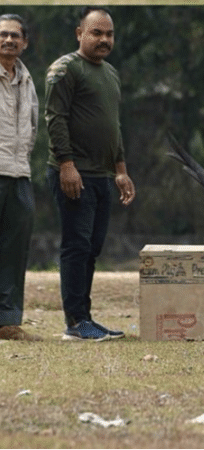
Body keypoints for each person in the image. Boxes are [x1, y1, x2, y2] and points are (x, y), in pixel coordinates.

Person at [45, 6, 136, 341]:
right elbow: (55, 119)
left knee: (93, 247)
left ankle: (85, 318)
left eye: (109, 34)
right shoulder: (65, 69)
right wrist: (66, 165)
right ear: (79, 33)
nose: (104, 39)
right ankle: (75, 322)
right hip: (73, 173)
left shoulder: (110, 73)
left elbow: (113, 127)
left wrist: (121, 171)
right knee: (76, 246)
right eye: (96, 32)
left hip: (101, 176)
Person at [0, 13, 41, 342]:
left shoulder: (27, 80)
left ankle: (8, 322)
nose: (8, 40)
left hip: (19, 173)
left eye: (15, 36)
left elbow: (33, 127)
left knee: (14, 251)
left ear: (24, 43)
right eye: (3, 35)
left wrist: (24, 159)